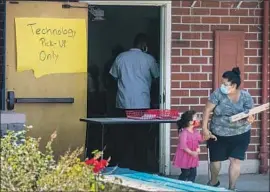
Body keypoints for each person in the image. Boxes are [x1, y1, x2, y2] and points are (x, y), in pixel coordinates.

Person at [202, 67, 255, 190]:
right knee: (215, 161)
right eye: (222, 83)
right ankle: (214, 182)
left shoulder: (246, 96)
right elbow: (207, 110)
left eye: (225, 84)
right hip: (218, 133)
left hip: (240, 133)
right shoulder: (218, 94)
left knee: (235, 160)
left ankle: (232, 188)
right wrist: (205, 129)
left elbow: (250, 114)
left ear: (234, 85)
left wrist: (250, 118)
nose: (222, 86)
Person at [109, 33, 159, 112]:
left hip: (124, 102)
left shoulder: (121, 57)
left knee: (123, 123)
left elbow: (113, 77)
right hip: (142, 102)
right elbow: (157, 77)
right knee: (141, 124)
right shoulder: (149, 59)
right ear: (144, 44)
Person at [173, 110, 217, 182]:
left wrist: (209, 136)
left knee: (193, 173)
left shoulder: (195, 131)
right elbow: (183, 145)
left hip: (193, 157)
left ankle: (191, 185)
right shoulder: (184, 133)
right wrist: (191, 152)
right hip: (185, 156)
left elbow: (201, 139)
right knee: (185, 172)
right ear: (190, 122)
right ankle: (180, 183)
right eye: (196, 118)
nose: (198, 120)